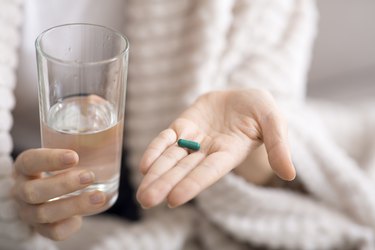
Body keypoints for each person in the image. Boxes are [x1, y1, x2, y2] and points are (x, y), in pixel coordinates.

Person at [1, 0, 375, 249]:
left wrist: (251, 145)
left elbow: (276, 165)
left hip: (179, 189)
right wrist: (7, 205)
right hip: (25, 179)